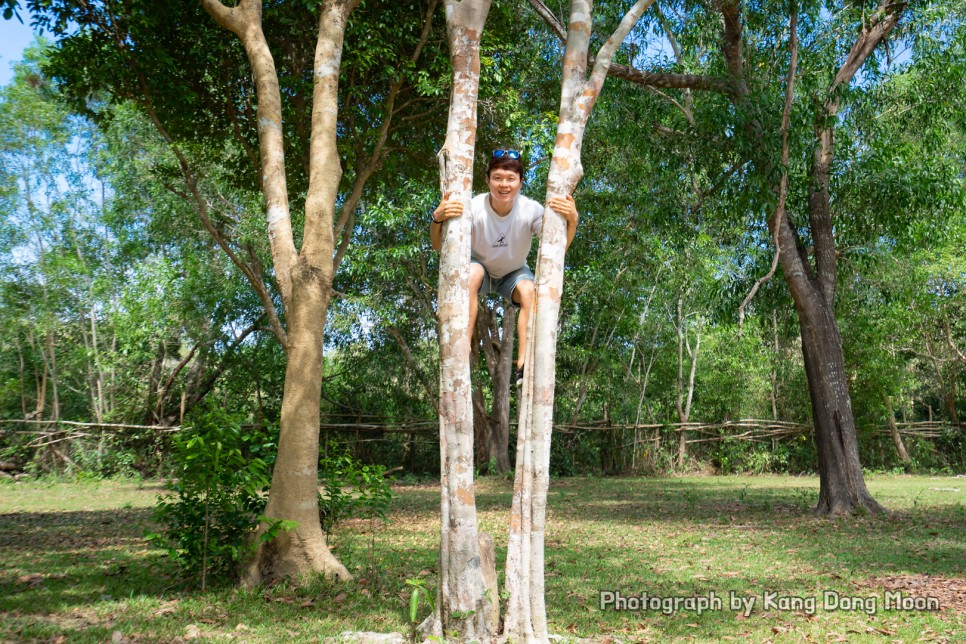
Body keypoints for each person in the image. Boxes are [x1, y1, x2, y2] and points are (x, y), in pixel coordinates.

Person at [430, 148, 579, 385]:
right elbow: (438, 246)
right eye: (497, 177)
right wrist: (437, 218)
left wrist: (573, 221)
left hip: (514, 271)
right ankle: (462, 353)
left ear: (520, 182)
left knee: (530, 292)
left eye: (511, 179)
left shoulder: (531, 210)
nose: (504, 185)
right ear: (487, 179)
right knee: (472, 273)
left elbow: (558, 252)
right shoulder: (473, 207)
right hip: (480, 267)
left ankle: (523, 367)